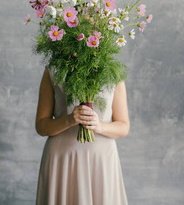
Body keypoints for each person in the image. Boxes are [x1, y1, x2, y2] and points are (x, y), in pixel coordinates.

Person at [35, 67, 129, 205]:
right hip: (62, 158)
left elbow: (123, 126)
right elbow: (41, 126)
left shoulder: (114, 70)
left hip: (101, 160)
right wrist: (69, 120)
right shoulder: (54, 69)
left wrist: (99, 126)